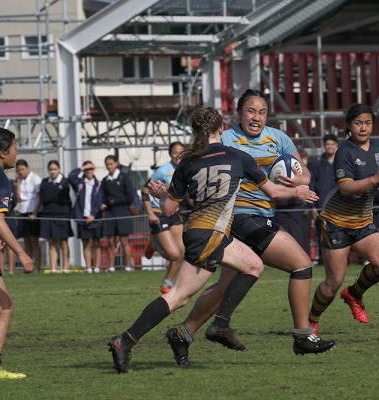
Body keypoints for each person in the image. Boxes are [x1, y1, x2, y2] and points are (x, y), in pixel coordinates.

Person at [107, 107, 324, 373]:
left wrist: (164, 193)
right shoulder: (237, 156)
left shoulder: (188, 161)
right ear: (220, 128)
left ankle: (205, 326)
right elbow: (274, 191)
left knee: (250, 267)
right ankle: (130, 339)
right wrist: (298, 192)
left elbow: (169, 210)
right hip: (212, 234)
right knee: (179, 296)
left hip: (200, 231)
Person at [165, 89, 336, 367]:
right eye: (250, 111)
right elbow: (197, 163)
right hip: (238, 217)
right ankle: (303, 335)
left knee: (225, 286)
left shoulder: (278, 138)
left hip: (259, 214)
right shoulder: (227, 138)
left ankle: (184, 332)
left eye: (262, 112)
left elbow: (304, 175)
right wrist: (173, 189)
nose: (256, 117)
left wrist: (285, 176)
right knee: (302, 265)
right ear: (238, 113)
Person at [308, 104, 379, 334]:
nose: (363, 128)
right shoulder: (345, 151)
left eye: (368, 123)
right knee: (333, 282)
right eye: (358, 123)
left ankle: (354, 294)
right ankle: (311, 322)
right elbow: (345, 189)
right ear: (349, 126)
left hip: (362, 222)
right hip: (336, 223)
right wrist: (374, 179)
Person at [0, 127, 33, 380]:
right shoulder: (0, 179)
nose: (16, 153)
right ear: (2, 153)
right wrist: (21, 253)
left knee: (5, 306)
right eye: (14, 148)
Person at [142, 142, 186, 293]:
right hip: (159, 214)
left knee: (182, 252)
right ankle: (154, 243)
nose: (178, 155)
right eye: (174, 152)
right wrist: (150, 213)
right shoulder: (163, 171)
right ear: (170, 154)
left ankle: (167, 283)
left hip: (174, 214)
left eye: (181, 152)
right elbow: (144, 190)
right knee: (173, 254)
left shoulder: (185, 170)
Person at [273, 147, 312, 255]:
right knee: (281, 239)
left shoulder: (306, 174)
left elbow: (310, 189)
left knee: (299, 239)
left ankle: (303, 259)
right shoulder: (280, 169)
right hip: (280, 209)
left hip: (297, 208)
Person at [101, 154, 135, 272]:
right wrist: (104, 203)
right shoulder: (105, 181)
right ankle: (111, 267)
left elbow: (131, 196)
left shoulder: (124, 177)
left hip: (123, 211)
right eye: (107, 165)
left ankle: (128, 266)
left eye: (111, 164)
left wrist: (114, 201)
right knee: (110, 241)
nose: (109, 166)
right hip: (110, 213)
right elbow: (103, 197)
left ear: (116, 163)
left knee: (124, 240)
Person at [38, 160, 73, 273]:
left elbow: (63, 198)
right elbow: (44, 198)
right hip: (48, 214)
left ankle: (65, 267)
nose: (52, 172)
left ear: (59, 169)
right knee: (52, 242)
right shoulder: (44, 182)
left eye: (55, 169)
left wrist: (52, 196)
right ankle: (53, 268)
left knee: (64, 242)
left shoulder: (65, 182)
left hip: (62, 215)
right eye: (50, 169)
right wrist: (53, 196)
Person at [69, 161, 104, 273]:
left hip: (95, 218)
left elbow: (99, 201)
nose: (89, 172)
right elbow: (71, 176)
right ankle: (89, 267)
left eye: (91, 169)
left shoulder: (99, 184)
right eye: (86, 170)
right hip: (82, 217)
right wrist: (81, 167)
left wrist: (93, 215)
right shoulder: (79, 183)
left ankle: (97, 267)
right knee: (86, 243)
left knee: (97, 243)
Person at [309, 134, 339, 264]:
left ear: (337, 146)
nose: (330, 147)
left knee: (339, 235)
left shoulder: (342, 163)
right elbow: (312, 186)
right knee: (322, 235)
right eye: (328, 144)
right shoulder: (317, 164)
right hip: (322, 207)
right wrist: (313, 207)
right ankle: (322, 260)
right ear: (324, 146)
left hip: (339, 207)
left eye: (332, 144)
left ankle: (342, 261)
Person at [15, 159, 42, 272]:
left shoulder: (35, 178)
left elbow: (40, 197)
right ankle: (28, 267)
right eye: (18, 170)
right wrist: (16, 184)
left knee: (34, 241)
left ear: (27, 168)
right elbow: (19, 198)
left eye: (22, 169)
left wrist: (35, 212)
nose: (20, 172)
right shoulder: (19, 181)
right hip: (23, 212)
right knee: (26, 241)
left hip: (33, 212)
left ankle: (38, 268)